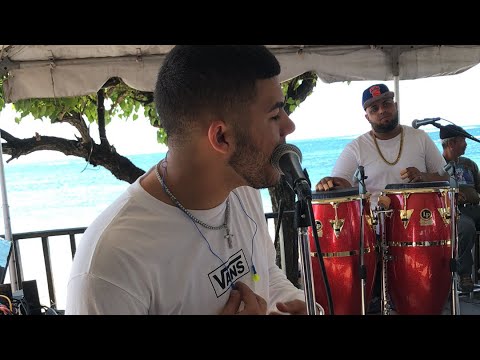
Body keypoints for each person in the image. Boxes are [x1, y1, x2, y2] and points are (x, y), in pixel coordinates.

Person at [65, 45, 315, 315]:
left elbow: (263, 271)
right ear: (221, 137)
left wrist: (292, 302)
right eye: (274, 115)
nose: (289, 126)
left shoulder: (241, 190)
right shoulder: (111, 264)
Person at [315, 83, 449, 313]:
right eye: (374, 108)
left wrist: (424, 175)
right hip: (372, 230)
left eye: (386, 103)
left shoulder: (419, 138)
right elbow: (341, 183)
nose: (381, 110)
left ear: (395, 105)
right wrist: (329, 182)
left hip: (416, 227)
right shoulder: (356, 148)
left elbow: (445, 175)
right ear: (366, 116)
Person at [440, 124, 480, 292]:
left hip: (473, 208)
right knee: (466, 227)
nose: (466, 143)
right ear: (451, 143)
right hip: (452, 212)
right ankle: (464, 274)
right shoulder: (437, 166)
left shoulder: (469, 164)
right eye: (463, 140)